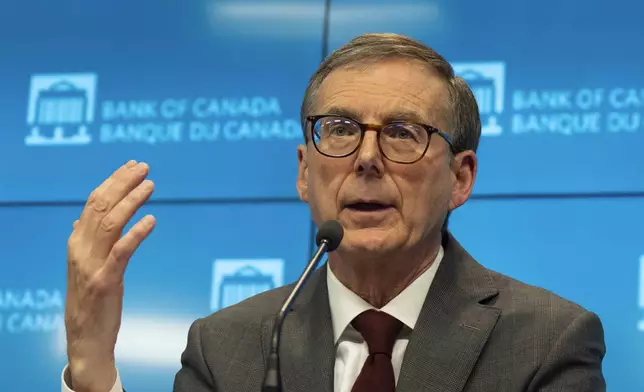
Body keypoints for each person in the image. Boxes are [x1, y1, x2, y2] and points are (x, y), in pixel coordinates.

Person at [61, 33, 606, 392]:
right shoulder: (228, 348)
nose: (366, 159)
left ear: (460, 178)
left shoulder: (546, 341)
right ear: (304, 172)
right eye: (340, 130)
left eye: (402, 133)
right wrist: (91, 368)